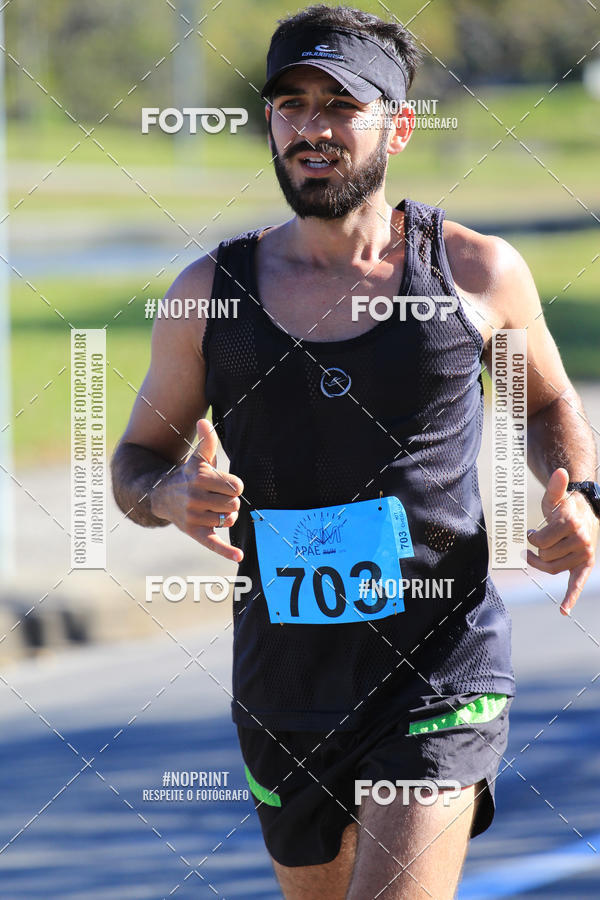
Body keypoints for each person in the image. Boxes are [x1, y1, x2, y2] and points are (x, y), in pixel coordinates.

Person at [111, 5, 599, 898]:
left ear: (399, 126)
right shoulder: (208, 296)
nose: (313, 128)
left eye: (341, 105)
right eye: (292, 104)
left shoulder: (477, 274)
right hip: (283, 682)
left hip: (440, 670)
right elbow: (135, 460)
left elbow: (549, 402)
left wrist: (583, 497)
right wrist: (170, 495)